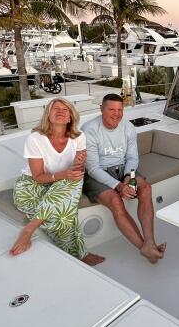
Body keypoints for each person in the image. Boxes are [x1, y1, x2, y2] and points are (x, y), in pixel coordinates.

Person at [10, 98, 105, 266]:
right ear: (48, 115)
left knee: (74, 181)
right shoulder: (35, 139)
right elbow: (38, 176)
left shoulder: (79, 137)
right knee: (63, 212)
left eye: (65, 109)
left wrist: (77, 164)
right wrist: (65, 174)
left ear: (70, 117)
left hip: (65, 184)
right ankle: (79, 254)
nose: (61, 111)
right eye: (56, 108)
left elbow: (77, 171)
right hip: (32, 186)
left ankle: (31, 229)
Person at [81, 93, 166, 264]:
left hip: (124, 170)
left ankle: (149, 242)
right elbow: (93, 168)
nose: (116, 114)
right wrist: (119, 186)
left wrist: (128, 176)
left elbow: (132, 158)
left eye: (120, 110)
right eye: (111, 109)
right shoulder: (89, 130)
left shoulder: (128, 127)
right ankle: (146, 249)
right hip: (97, 175)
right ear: (101, 109)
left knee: (145, 188)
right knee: (115, 200)